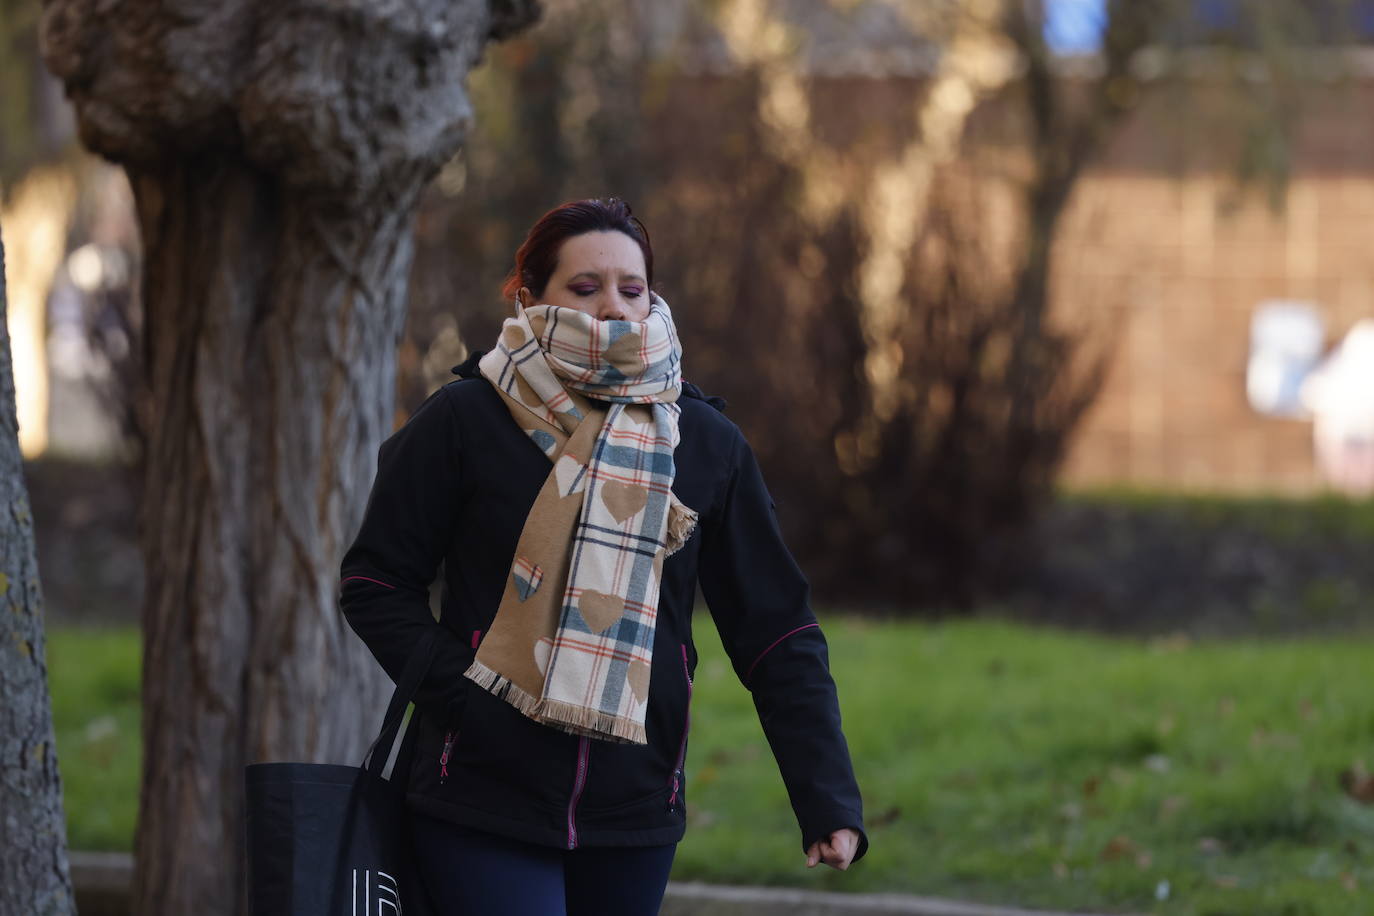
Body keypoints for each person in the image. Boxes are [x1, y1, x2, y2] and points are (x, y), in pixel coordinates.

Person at [340, 197, 867, 915]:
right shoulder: (466, 420)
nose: (615, 308)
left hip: (635, 805)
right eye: (584, 288)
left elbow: (776, 630)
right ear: (531, 298)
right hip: (481, 792)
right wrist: (465, 699)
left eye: (631, 287)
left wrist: (826, 797)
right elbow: (375, 581)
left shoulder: (704, 442)